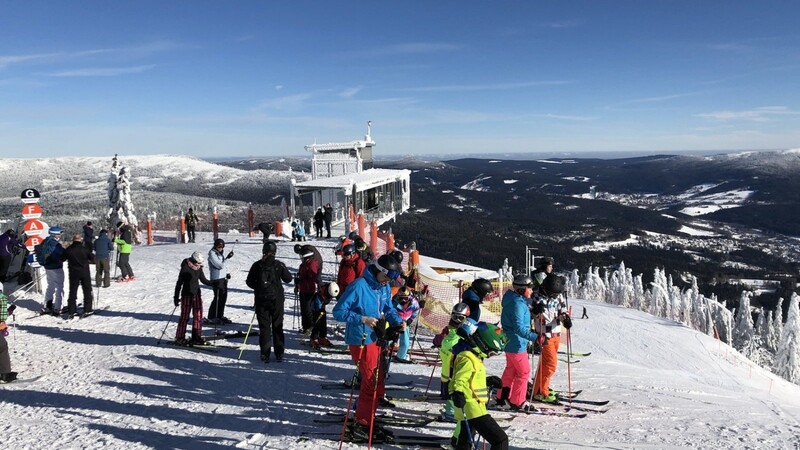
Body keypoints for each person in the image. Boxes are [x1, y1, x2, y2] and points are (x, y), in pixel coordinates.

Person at [332, 254, 406, 443]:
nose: (388, 282)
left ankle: (368, 413)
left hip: (376, 337)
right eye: (387, 277)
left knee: (379, 377)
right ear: (378, 271)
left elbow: (388, 308)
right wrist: (362, 319)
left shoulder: (383, 286)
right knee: (370, 382)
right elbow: (338, 311)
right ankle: (362, 423)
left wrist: (398, 322)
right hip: (361, 339)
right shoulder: (358, 286)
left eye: (390, 279)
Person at [450, 320, 509, 450]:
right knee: (500, 440)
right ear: (483, 344)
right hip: (472, 408)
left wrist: (487, 381)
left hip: (472, 405)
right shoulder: (467, 357)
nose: (490, 355)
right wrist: (457, 392)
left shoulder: (473, 356)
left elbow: (470, 379)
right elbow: (458, 379)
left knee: (465, 442)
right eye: (492, 352)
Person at [496, 274, 543, 410]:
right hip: (517, 344)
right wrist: (535, 337)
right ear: (522, 289)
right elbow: (518, 327)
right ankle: (517, 401)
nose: (532, 291)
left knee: (510, 370)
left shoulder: (515, 300)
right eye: (529, 288)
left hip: (511, 342)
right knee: (523, 372)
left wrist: (533, 313)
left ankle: (502, 397)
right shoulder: (517, 303)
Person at [246, 240, 293, 362]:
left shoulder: (257, 265)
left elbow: (249, 282)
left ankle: (265, 354)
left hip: (261, 300)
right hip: (277, 300)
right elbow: (288, 279)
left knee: (264, 327)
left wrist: (259, 287)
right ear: (275, 252)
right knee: (278, 326)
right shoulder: (279, 264)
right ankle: (279, 353)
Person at [530, 273, 569, 404]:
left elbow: (562, 310)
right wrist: (535, 310)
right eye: (552, 294)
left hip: (556, 333)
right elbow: (529, 312)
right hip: (543, 335)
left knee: (545, 364)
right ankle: (542, 392)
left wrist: (565, 319)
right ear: (546, 289)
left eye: (556, 294)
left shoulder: (558, 295)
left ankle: (538, 389)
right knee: (551, 364)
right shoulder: (536, 295)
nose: (554, 296)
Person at [434, 303, 470, 428]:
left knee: (455, 388)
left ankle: (454, 410)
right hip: (450, 368)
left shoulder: (462, 331)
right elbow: (439, 340)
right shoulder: (450, 331)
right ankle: (451, 412)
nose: (457, 321)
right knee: (453, 390)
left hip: (452, 367)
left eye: (461, 318)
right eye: (455, 317)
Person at [173, 251, 213, 346]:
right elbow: (179, 284)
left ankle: (196, 337)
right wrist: (176, 297)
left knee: (198, 317)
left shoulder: (198, 268)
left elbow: (203, 280)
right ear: (193, 260)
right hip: (187, 295)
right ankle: (179, 337)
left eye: (200, 263)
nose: (199, 265)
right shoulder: (185, 268)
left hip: (197, 295)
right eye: (198, 263)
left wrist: (214, 284)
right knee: (184, 317)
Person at [61, 234, 96, 318]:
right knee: (87, 290)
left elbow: (62, 258)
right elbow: (93, 258)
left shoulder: (69, 249)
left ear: (73, 240)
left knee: (73, 291)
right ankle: (87, 309)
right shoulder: (84, 249)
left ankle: (72, 311)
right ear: (80, 240)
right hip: (84, 272)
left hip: (73, 273)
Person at [36, 227, 66, 315]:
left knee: (50, 286)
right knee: (59, 287)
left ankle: (47, 306)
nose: (60, 235)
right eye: (59, 234)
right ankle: (58, 307)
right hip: (56, 267)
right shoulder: (56, 245)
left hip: (47, 267)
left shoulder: (44, 242)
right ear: (55, 234)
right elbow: (63, 255)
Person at [206, 238, 234, 325]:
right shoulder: (212, 254)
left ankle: (219, 315)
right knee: (217, 298)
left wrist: (227, 273)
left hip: (222, 279)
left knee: (223, 298)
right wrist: (227, 258)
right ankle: (211, 317)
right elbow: (220, 265)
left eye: (222, 247)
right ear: (215, 246)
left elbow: (224, 266)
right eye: (219, 246)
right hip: (216, 279)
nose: (221, 248)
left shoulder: (219, 254)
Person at [392, 286, 420, 364]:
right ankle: (386, 351)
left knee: (405, 342)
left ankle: (400, 356)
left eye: (405, 298)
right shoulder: (394, 301)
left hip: (405, 322)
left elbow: (416, 310)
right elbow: (390, 310)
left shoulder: (413, 302)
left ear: (409, 297)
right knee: (390, 338)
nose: (403, 300)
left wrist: (410, 320)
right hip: (395, 321)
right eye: (401, 298)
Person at [295, 250, 319, 335]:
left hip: (309, 290)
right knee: (303, 309)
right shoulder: (303, 265)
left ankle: (310, 327)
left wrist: (301, 281)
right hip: (303, 289)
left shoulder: (312, 265)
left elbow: (311, 279)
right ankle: (305, 327)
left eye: (303, 257)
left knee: (308, 310)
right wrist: (297, 282)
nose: (301, 259)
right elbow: (301, 274)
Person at [309, 282, 339, 348]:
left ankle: (322, 338)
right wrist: (318, 313)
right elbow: (316, 305)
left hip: (321, 308)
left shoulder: (330, 290)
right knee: (317, 323)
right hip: (316, 309)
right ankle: (313, 339)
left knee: (323, 323)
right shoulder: (320, 295)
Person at [0, 292, 18, 383]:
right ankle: (4, 374)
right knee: (2, 347)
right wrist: (9, 311)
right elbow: (2, 316)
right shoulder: (1, 297)